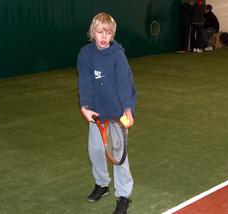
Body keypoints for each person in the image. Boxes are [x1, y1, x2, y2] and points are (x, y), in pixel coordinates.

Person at [76, 12, 137, 214]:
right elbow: (84, 82)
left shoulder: (118, 55)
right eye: (100, 32)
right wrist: (85, 107)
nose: (104, 36)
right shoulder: (85, 54)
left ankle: (123, 196)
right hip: (96, 114)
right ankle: (102, 185)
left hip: (117, 116)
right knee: (95, 151)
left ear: (112, 34)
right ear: (92, 32)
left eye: (108, 32)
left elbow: (125, 83)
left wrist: (128, 109)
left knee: (119, 157)